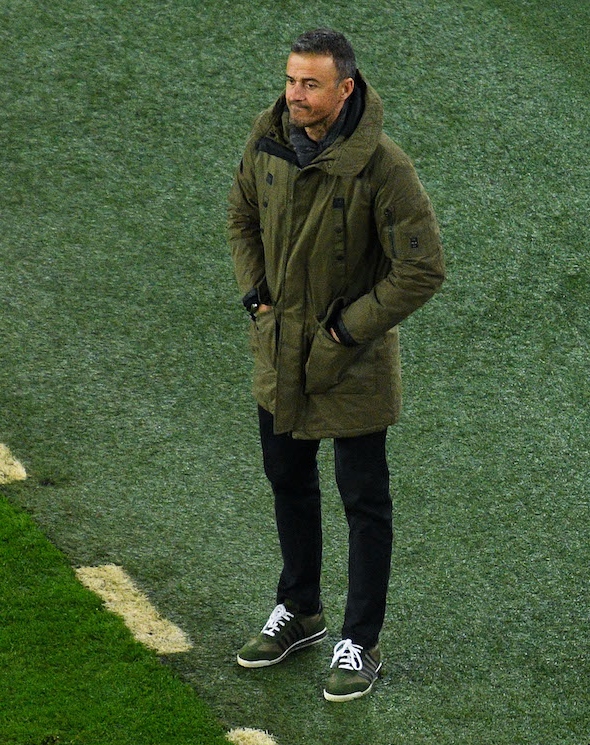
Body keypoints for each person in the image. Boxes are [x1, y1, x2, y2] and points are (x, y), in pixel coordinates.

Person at [227, 29, 445, 701]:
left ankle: (361, 642)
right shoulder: (266, 142)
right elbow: (240, 216)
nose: (295, 95)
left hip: (351, 366)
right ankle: (300, 609)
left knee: (363, 502)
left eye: (310, 84)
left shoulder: (385, 168)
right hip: (277, 353)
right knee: (286, 479)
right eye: (292, 81)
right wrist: (256, 295)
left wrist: (348, 333)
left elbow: (422, 267)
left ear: (344, 88)